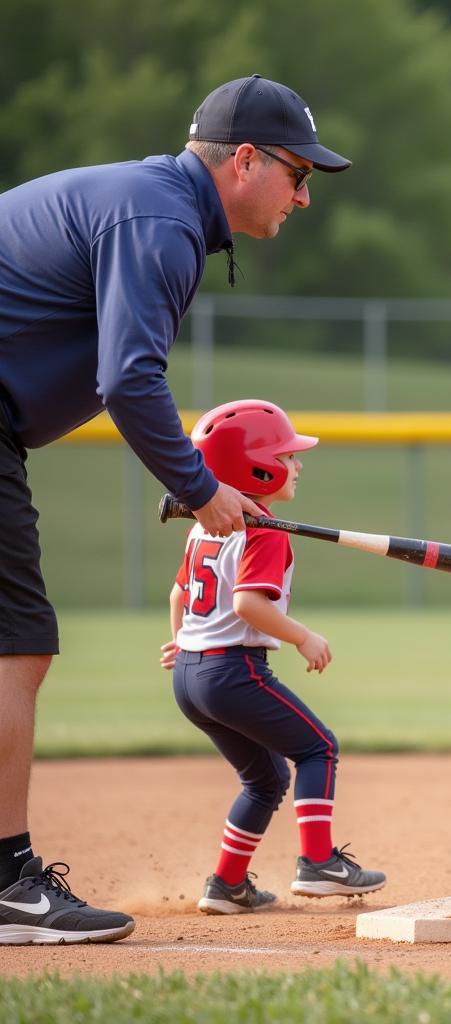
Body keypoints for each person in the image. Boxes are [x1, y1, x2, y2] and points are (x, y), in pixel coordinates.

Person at [0, 74, 351, 944]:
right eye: (298, 174)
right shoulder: (158, 221)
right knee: (17, 650)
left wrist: (190, 482)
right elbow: (128, 378)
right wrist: (201, 491)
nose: (304, 196)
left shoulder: (154, 206)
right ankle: (7, 883)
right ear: (244, 161)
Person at [160, 399, 386, 914]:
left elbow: (179, 596)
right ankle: (319, 862)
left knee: (265, 779)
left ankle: (227, 884)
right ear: (253, 468)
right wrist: (302, 635)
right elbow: (247, 603)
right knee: (318, 749)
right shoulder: (263, 528)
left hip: (190, 679)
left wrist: (184, 638)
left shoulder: (203, 524)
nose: (297, 464)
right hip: (232, 671)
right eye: (286, 456)